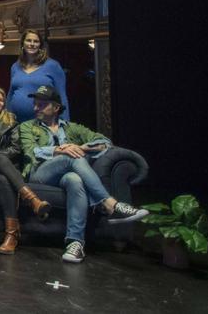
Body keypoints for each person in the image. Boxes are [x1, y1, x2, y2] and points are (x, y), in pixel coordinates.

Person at [19, 86, 147, 263]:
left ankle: (75, 243)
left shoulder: (72, 128)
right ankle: (109, 203)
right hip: (40, 173)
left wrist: (81, 147)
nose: (36, 108)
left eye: (42, 104)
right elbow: (31, 151)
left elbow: (104, 142)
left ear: (56, 108)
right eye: (35, 104)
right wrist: (59, 150)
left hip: (65, 176)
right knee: (72, 158)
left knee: (75, 179)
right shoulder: (27, 127)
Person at [0, 86, 52, 255]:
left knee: (2, 180)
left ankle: (11, 235)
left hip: (5, 171)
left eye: (1, 100)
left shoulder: (11, 121)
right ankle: (33, 200)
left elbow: (15, 149)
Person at [8, 29, 69, 122]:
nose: (32, 44)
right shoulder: (15, 66)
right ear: (22, 44)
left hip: (43, 122)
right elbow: (11, 94)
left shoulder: (53, 66)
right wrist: (6, 116)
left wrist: (65, 123)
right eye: (28, 40)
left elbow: (62, 96)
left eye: (36, 41)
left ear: (40, 45)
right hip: (16, 122)